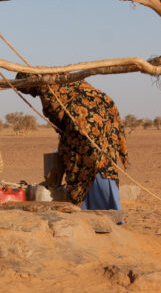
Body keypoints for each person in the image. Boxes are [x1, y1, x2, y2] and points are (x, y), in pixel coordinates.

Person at [16, 73, 129, 211]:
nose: (33, 95)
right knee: (105, 161)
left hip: (83, 121)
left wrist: (64, 140)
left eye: (29, 91)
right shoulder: (64, 78)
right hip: (104, 114)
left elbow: (56, 115)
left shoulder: (46, 87)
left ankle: (88, 208)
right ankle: (112, 209)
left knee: (81, 165)